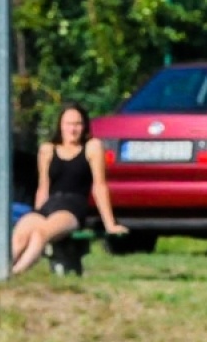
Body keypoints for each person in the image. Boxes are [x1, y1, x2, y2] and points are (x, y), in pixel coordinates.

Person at [10, 103, 125, 275]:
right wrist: (38, 211)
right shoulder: (47, 150)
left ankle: (15, 274)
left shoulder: (92, 148)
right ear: (60, 126)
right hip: (49, 205)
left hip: (72, 207)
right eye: (68, 124)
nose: (73, 129)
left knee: (40, 234)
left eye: (77, 124)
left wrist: (110, 224)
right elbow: (43, 187)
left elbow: (99, 186)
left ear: (84, 126)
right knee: (21, 233)